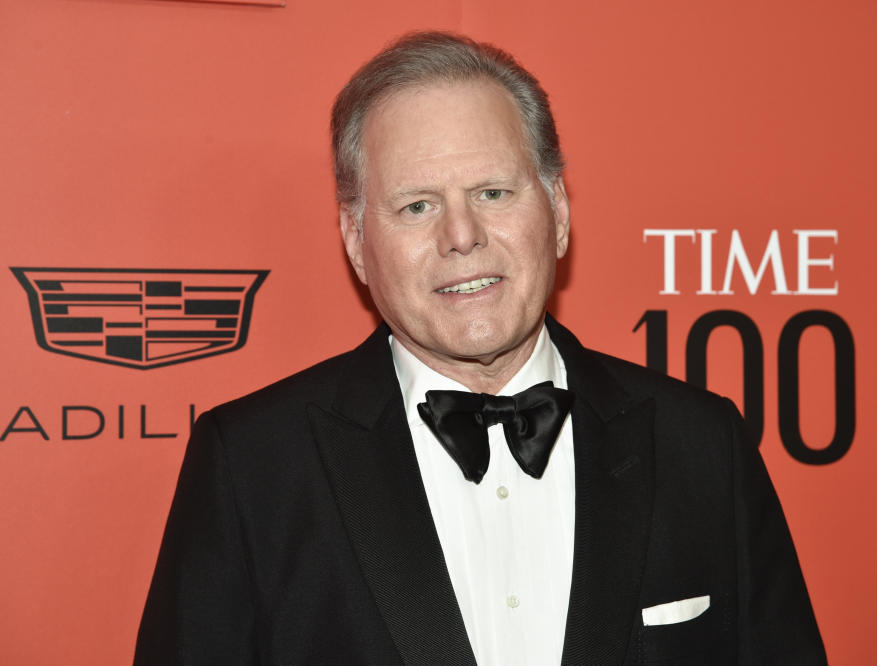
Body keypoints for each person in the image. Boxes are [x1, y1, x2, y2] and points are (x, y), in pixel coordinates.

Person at [135, 31, 826, 665]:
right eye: (417, 206)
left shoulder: (703, 445)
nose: (461, 235)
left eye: (493, 192)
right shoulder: (252, 467)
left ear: (556, 212)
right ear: (355, 240)